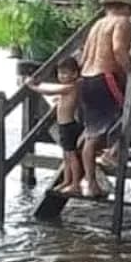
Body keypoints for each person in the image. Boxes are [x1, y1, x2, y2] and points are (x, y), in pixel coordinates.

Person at [78, 0, 131, 199]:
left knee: (91, 133)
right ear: (125, 7)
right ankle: (112, 152)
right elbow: (118, 50)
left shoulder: (98, 24)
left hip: (86, 78)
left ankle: (91, 183)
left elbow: (84, 55)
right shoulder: (122, 22)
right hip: (106, 77)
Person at [27, 57, 83, 195]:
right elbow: (62, 96)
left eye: (65, 73)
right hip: (63, 126)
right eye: (60, 73)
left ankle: (76, 184)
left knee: (72, 156)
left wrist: (32, 86)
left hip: (68, 126)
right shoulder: (68, 89)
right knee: (66, 156)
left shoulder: (70, 87)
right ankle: (67, 181)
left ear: (75, 74)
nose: (61, 76)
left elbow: (49, 91)